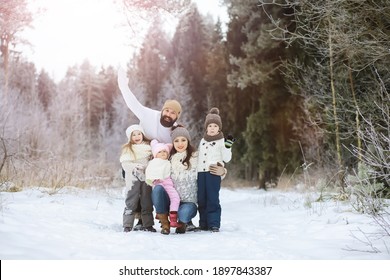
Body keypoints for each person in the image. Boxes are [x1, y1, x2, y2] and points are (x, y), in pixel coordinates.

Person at [152, 125, 228, 234]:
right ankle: (165, 223)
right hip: (171, 200)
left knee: (184, 213)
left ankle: (183, 223)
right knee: (157, 189)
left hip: (188, 202)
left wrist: (223, 171)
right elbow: (154, 168)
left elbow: (211, 165)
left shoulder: (197, 157)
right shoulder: (167, 157)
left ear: (188, 141)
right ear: (173, 143)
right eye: (176, 141)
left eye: (183, 140)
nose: (180, 144)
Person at [117, 67, 182, 143]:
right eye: (167, 110)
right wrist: (124, 87)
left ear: (177, 117)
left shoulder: (176, 132)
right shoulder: (149, 115)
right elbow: (133, 104)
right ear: (162, 110)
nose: (168, 114)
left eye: (173, 113)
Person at [197, 108, 233, 232]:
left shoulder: (221, 141)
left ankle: (213, 223)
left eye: (215, 126)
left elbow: (226, 159)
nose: (212, 128)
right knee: (201, 199)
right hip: (201, 174)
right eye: (210, 126)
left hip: (213, 173)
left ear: (219, 128)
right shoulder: (202, 141)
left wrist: (228, 146)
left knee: (212, 198)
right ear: (206, 127)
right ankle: (203, 223)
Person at [120, 124, 156, 232]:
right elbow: (125, 164)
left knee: (147, 201)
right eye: (133, 135)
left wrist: (149, 166)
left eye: (139, 134)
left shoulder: (149, 148)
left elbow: (152, 161)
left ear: (142, 135)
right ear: (130, 138)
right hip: (133, 179)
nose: (137, 136)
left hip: (146, 178)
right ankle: (127, 224)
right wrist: (134, 166)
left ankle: (148, 224)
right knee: (131, 200)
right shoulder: (128, 149)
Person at [145, 139, 180, 233]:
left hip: (168, 185)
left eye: (165, 151)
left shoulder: (169, 162)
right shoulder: (153, 163)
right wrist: (153, 179)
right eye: (159, 152)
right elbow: (149, 173)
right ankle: (163, 219)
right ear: (155, 154)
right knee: (157, 191)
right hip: (158, 184)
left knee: (175, 198)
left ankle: (173, 216)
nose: (163, 153)